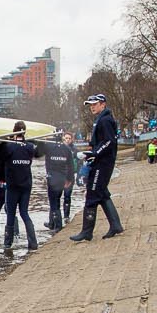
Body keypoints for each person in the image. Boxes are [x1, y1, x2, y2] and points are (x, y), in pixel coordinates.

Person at [67, 93, 123, 242]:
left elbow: (108, 142)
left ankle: (87, 231)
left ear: (103, 104)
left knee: (92, 194)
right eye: (90, 105)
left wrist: (94, 154)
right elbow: (102, 143)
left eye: (95, 104)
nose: (92, 107)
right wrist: (90, 153)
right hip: (101, 162)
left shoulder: (105, 120)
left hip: (102, 164)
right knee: (102, 193)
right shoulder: (102, 119)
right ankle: (116, 225)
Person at [0, 121, 38, 250]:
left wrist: (3, 142)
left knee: (10, 214)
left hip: (13, 185)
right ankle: (33, 242)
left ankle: (8, 244)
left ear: (14, 131)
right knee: (24, 213)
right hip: (26, 184)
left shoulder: (9, 147)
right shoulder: (29, 146)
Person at [42, 132, 74, 231]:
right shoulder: (67, 149)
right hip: (62, 178)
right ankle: (52, 223)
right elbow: (71, 166)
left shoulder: (49, 146)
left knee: (54, 203)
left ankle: (58, 225)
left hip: (52, 178)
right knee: (57, 200)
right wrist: (69, 179)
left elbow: (35, 152)